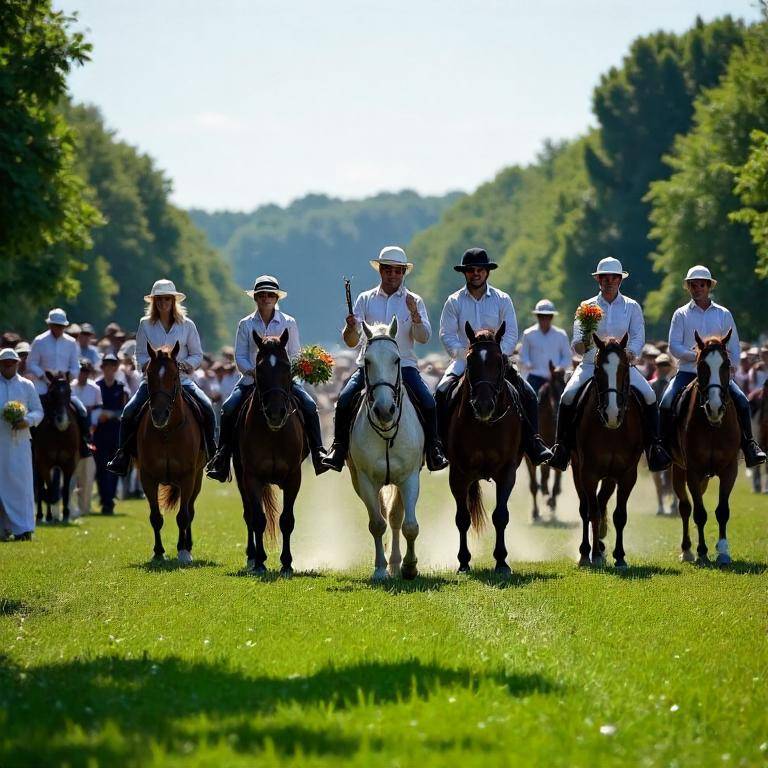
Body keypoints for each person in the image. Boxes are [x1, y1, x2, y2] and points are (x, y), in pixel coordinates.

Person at [322, 247, 449, 472]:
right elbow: (351, 342)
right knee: (344, 400)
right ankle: (338, 449)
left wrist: (416, 316)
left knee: (429, 402)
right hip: (368, 367)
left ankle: (433, 450)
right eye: (388, 269)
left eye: (398, 271)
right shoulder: (365, 299)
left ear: (403, 273)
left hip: (404, 366)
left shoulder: (414, 301)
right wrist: (351, 327)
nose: (393, 275)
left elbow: (424, 337)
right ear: (380, 270)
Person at [548, 257, 671, 472]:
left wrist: (630, 354)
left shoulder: (632, 306)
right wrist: (583, 342)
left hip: (623, 366)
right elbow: (576, 341)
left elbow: (637, 336)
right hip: (590, 365)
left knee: (650, 396)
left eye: (613, 277)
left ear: (620, 280)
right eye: (604, 277)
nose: (609, 281)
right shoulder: (587, 307)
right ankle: (562, 449)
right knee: (567, 396)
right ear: (598, 280)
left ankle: (654, 448)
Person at [435, 247, 552, 465]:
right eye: (471, 270)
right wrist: (467, 354)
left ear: (487, 272)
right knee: (441, 392)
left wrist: (499, 355)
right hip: (464, 361)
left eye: (480, 269)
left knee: (528, 394)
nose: (476, 274)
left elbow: (511, 334)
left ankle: (534, 443)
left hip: (497, 363)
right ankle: (437, 446)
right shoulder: (453, 301)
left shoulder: (502, 299)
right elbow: (447, 334)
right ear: (465, 273)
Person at [207, 275, 329, 480]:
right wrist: (253, 372)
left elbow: (295, 354)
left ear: (276, 298)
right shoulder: (245, 324)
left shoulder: (288, 322)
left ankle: (318, 452)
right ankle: (222, 457)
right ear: (255, 298)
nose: (266, 298)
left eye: (270, 295)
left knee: (309, 405)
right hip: (251, 379)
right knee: (228, 408)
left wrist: (287, 372)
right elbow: (240, 357)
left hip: (283, 382)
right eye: (261, 295)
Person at [106, 279, 217, 475]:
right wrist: (148, 365)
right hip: (152, 382)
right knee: (129, 411)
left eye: (167, 299)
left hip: (181, 380)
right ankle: (122, 456)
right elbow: (139, 354)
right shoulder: (145, 324)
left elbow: (197, 354)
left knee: (207, 408)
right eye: (159, 299)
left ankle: (212, 454)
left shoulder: (187, 325)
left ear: (173, 301)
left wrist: (184, 365)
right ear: (154, 302)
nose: (163, 303)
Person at [659, 265, 765, 467]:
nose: (697, 288)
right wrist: (698, 357)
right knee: (665, 402)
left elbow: (733, 347)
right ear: (688, 287)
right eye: (693, 285)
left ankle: (750, 446)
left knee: (742, 401)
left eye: (701, 284)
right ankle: (662, 449)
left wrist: (729, 370)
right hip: (688, 373)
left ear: (708, 286)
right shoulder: (680, 314)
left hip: (719, 376)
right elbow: (674, 346)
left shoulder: (724, 314)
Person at [26, 308, 92, 457]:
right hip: (44, 385)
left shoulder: (71, 343)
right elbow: (32, 363)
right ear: (50, 325)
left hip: (64, 386)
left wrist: (68, 376)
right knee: (34, 411)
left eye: (61, 326)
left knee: (81, 410)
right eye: (56, 325)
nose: (59, 328)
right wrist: (44, 376)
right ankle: (30, 444)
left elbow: (75, 366)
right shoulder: (40, 340)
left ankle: (84, 443)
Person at [0, 348, 44, 540]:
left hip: (20, 443)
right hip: (1, 441)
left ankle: (23, 528)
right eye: (4, 363)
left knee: (22, 485)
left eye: (12, 362)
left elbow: (38, 411)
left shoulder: (27, 385)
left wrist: (27, 420)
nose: (8, 366)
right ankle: (4, 528)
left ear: (18, 363)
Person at [93, 353, 129, 514]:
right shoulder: (96, 386)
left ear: (115, 368)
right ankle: (105, 499)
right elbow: (94, 407)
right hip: (100, 433)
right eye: (106, 366)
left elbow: (123, 410)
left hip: (115, 432)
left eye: (112, 366)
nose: (109, 369)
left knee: (114, 467)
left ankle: (111, 498)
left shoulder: (120, 387)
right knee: (101, 467)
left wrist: (110, 414)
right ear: (103, 368)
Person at [519, 299, 572, 393]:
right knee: (528, 402)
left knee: (565, 402)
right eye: (541, 316)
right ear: (537, 317)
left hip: (555, 378)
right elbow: (524, 356)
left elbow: (567, 357)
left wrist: (559, 368)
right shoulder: (528, 334)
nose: (544, 319)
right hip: (535, 377)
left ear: (551, 317)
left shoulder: (561, 334)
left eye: (547, 316)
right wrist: (529, 364)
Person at [70, 359, 102, 516]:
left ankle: (84, 508)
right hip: (71, 436)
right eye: (81, 371)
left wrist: (92, 427)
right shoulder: (70, 388)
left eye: (86, 371)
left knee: (88, 473)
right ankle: (70, 507)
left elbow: (97, 409)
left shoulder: (95, 389)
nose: (83, 374)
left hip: (90, 434)